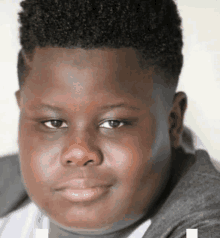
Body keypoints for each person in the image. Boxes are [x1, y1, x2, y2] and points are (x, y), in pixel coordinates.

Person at [0, 0, 220, 237]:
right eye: (53, 123)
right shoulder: (8, 190)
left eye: (113, 123)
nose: (79, 152)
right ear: (22, 110)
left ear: (173, 122)